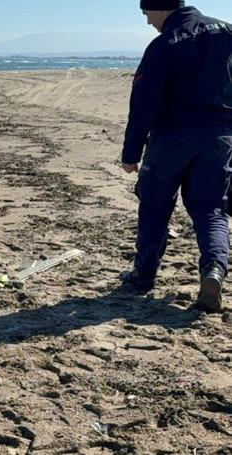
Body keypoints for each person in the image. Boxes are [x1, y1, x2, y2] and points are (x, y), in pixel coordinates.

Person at [120, 0, 232, 313]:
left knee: (155, 206)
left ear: (161, 9)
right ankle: (213, 271)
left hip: (171, 139)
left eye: (147, 14)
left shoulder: (162, 45)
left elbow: (143, 104)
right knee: (211, 209)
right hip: (219, 138)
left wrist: (131, 153)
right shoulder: (227, 32)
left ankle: (143, 276)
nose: (147, 22)